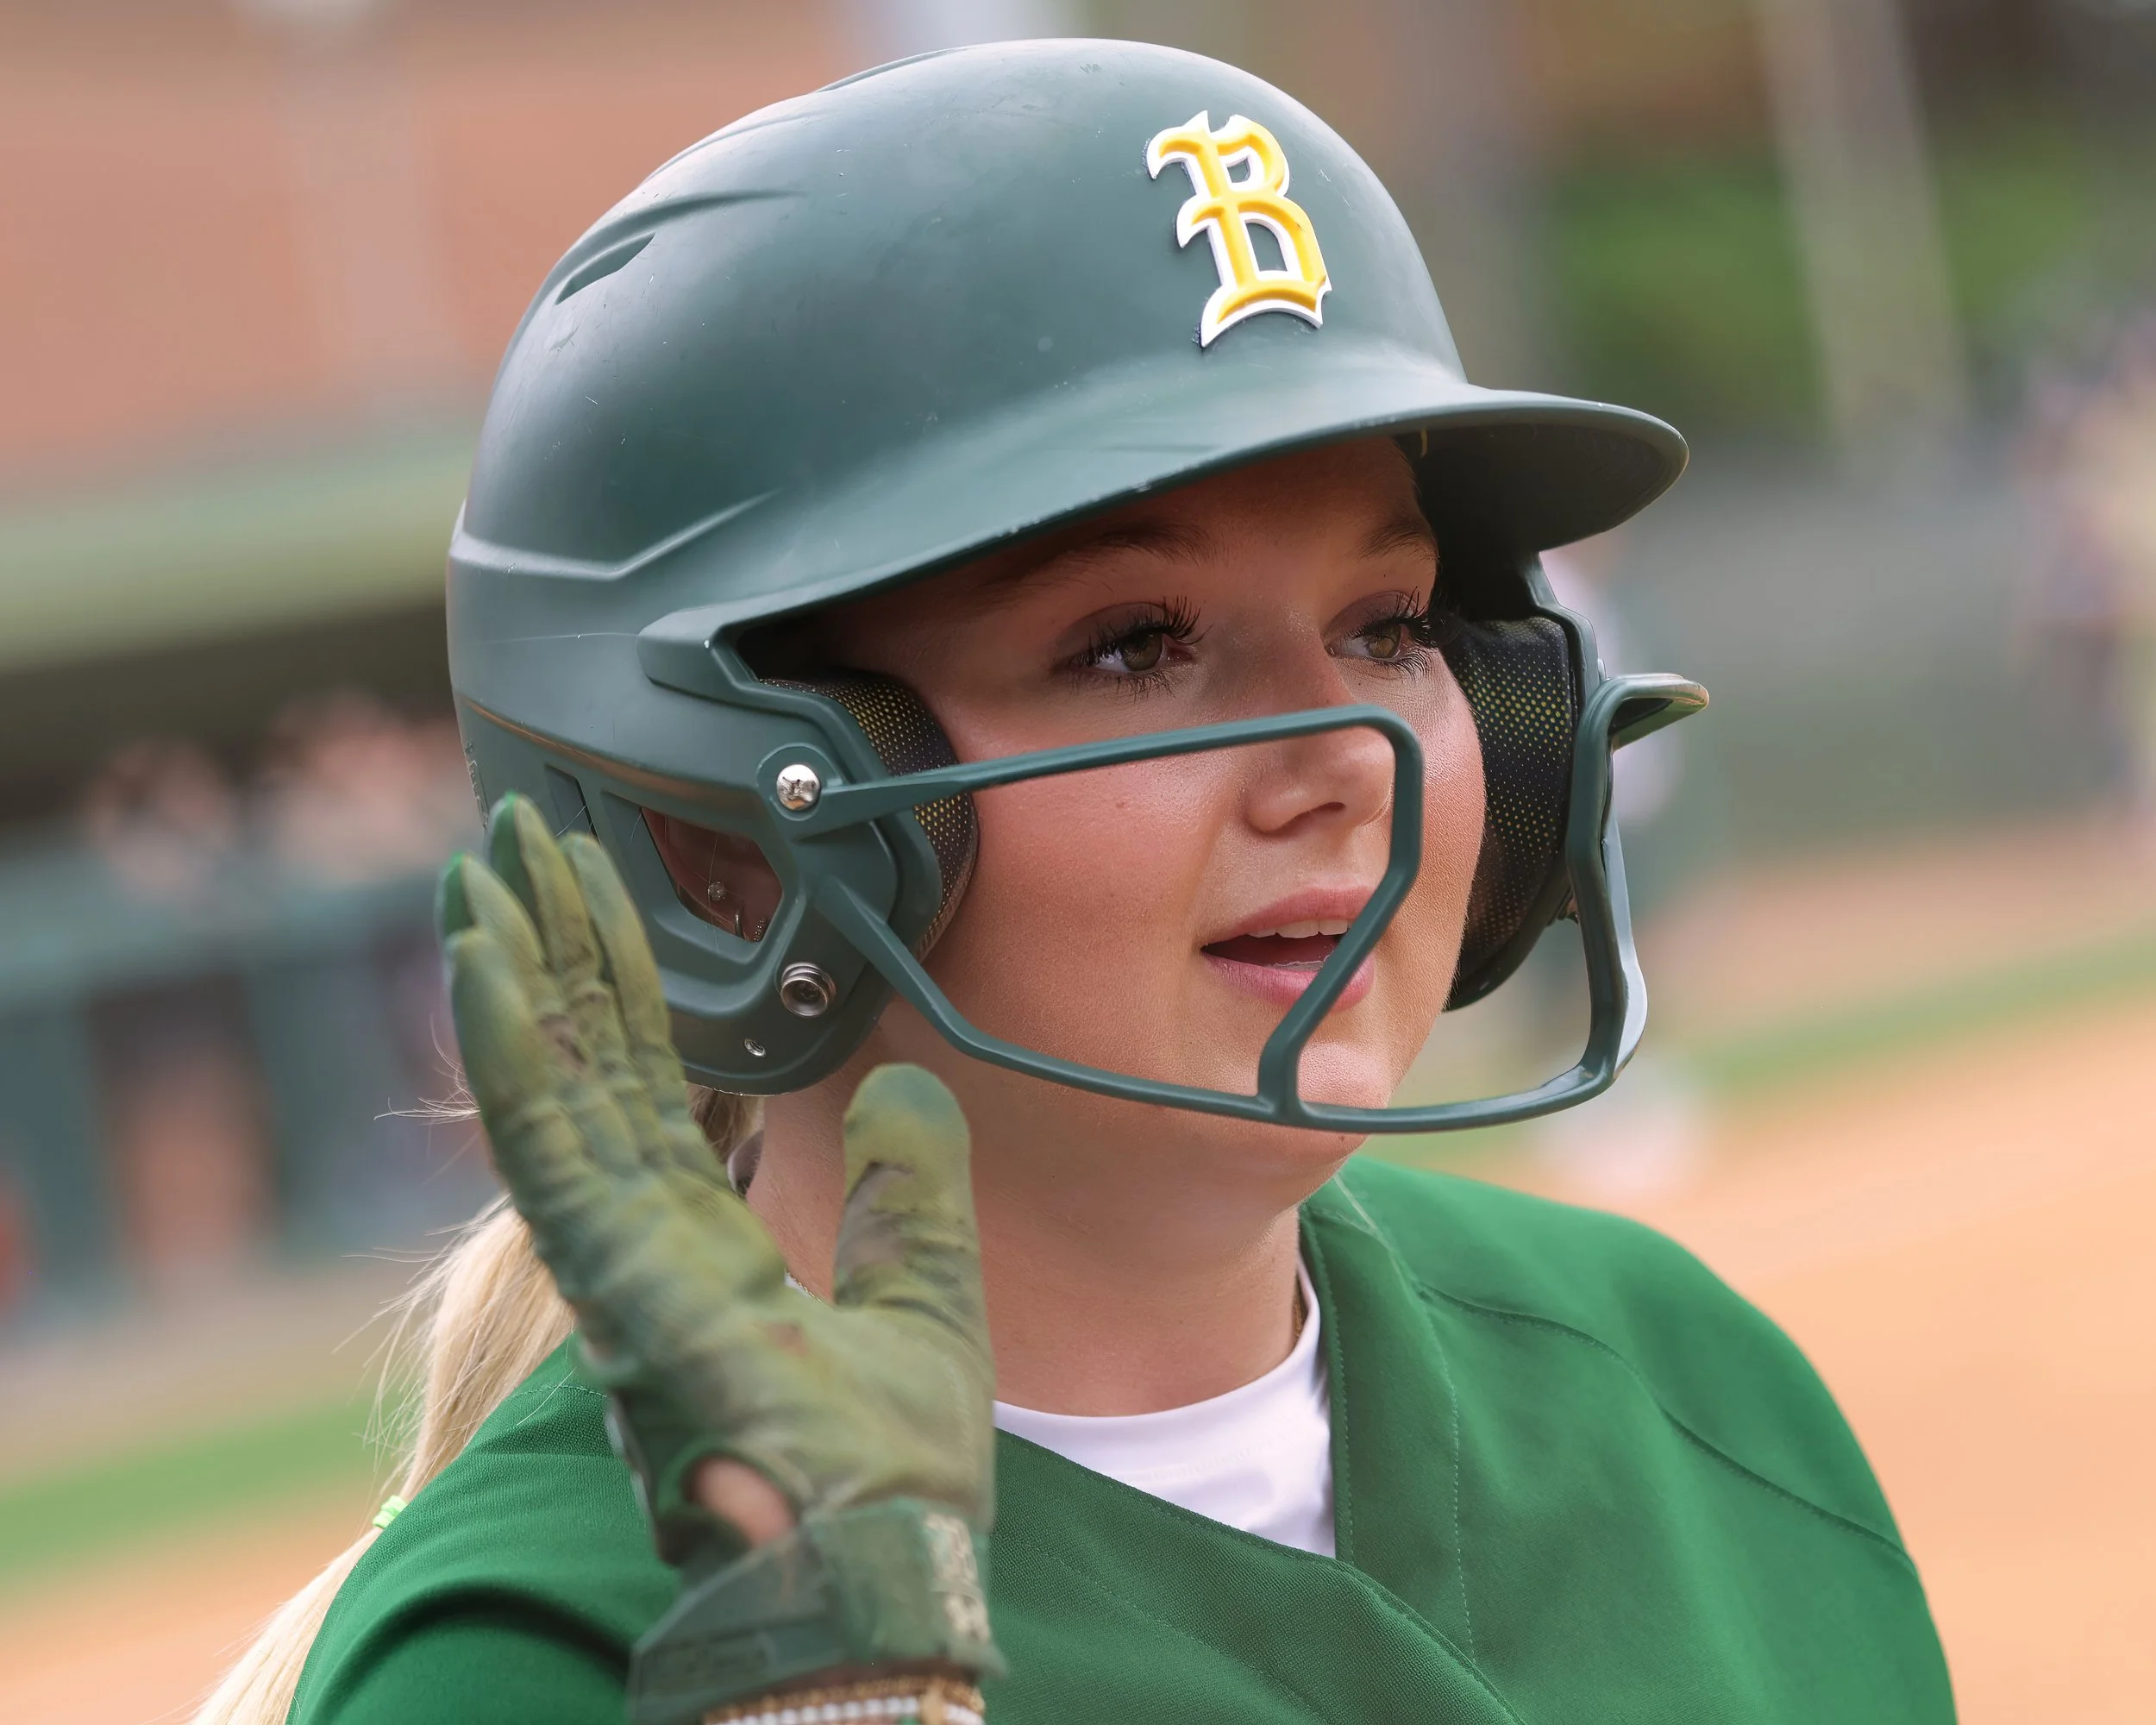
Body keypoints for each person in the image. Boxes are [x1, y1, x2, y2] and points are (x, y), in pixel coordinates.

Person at [197, 39, 1953, 1725]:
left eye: (1389, 624)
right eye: (1131, 645)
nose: (1346, 754)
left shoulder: (1691, 1396)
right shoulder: (549, 1663)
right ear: (712, 837)